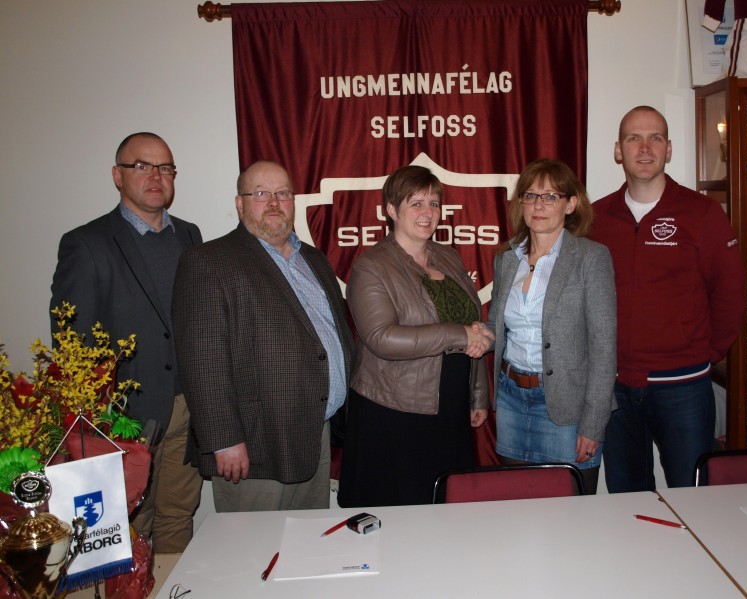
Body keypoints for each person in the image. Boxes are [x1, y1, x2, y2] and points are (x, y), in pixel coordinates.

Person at [50, 132, 203, 552]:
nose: (155, 176)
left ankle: (174, 582)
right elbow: (72, 341)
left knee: (178, 514)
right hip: (126, 415)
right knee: (131, 522)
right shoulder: (87, 243)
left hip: (187, 407)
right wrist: (99, 418)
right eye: (142, 166)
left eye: (165, 167)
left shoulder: (189, 235)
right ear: (118, 176)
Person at [172, 160, 354, 512]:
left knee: (307, 540)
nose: (273, 202)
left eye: (282, 193)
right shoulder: (208, 261)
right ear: (239, 204)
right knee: (253, 545)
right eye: (260, 194)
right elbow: (202, 361)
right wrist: (224, 439)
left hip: (315, 432)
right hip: (255, 443)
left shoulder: (314, 259)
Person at [591, 106, 746, 493]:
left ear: (669, 149)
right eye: (634, 138)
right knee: (627, 499)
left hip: (683, 387)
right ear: (618, 150)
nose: (645, 148)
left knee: (692, 495)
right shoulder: (596, 219)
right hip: (615, 387)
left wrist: (701, 354)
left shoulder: (702, 213)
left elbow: (730, 295)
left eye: (655, 138)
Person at [337, 165, 494, 507]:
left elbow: (472, 326)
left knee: (445, 507)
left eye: (434, 203)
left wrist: (478, 394)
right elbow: (382, 338)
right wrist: (458, 335)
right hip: (394, 410)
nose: (428, 213)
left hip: (450, 407)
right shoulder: (371, 266)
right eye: (416, 203)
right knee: (402, 509)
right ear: (391, 210)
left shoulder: (448, 256)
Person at [485, 159, 617, 495]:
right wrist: (467, 335)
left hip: (566, 406)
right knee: (516, 503)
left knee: (570, 511)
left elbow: (604, 348)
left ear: (570, 204)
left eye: (550, 197)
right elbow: (496, 329)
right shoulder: (506, 259)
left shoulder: (591, 258)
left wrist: (593, 424)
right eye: (530, 196)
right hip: (511, 400)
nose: (538, 205)